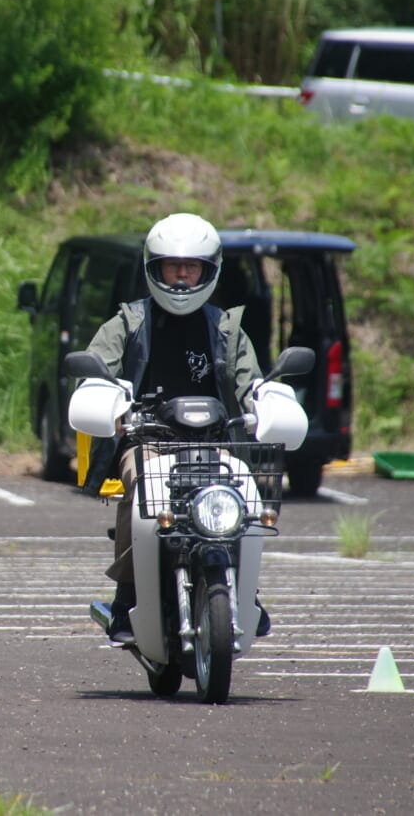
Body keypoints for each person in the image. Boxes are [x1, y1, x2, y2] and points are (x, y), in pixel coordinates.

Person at [83, 213, 268, 644]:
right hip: (148, 440)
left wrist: (266, 401)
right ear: (154, 268)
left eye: (192, 267)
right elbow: (95, 371)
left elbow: (250, 383)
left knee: (249, 493)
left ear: (209, 270)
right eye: (172, 266)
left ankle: (248, 591)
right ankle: (126, 595)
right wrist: (100, 396)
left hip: (215, 442)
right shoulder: (127, 323)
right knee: (144, 489)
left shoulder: (227, 329)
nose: (182, 276)